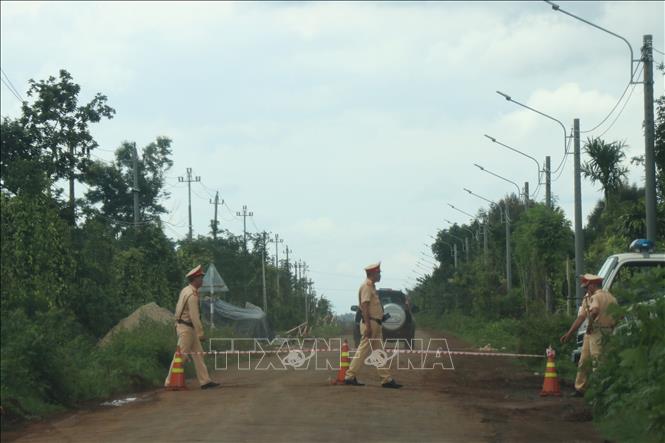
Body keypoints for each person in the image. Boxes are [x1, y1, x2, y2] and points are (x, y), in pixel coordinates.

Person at [344, 262, 402, 389]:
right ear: (372, 274)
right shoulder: (366, 286)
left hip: (375, 323)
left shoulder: (371, 287)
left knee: (378, 352)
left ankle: (386, 379)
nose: (380, 275)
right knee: (363, 350)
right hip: (370, 323)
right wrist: (369, 326)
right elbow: (364, 307)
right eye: (378, 273)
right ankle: (349, 376)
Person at [560, 273, 617, 397]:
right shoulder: (608, 297)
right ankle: (580, 388)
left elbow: (595, 311)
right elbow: (581, 317)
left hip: (597, 331)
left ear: (593, 285)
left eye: (587, 287)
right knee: (584, 360)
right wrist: (570, 333)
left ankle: (600, 392)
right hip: (600, 332)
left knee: (598, 361)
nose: (585, 289)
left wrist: (590, 324)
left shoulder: (596, 297)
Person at [165, 265, 220, 390]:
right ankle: (169, 382)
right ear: (195, 279)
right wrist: (200, 333)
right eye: (201, 278)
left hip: (186, 327)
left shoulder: (186, 290)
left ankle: (205, 381)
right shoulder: (192, 295)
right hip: (186, 328)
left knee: (198, 354)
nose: (202, 280)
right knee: (180, 356)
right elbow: (194, 317)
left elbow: (178, 310)